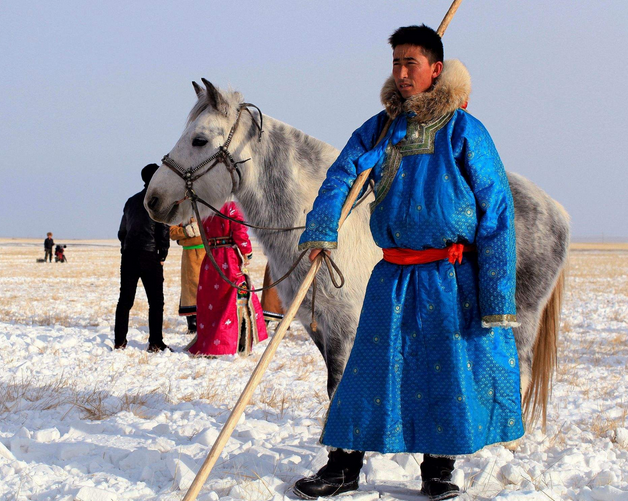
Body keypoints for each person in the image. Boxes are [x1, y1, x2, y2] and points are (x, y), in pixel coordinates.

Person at [293, 25, 523, 501]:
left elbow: (497, 209)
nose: (400, 73)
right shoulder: (380, 127)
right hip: (393, 274)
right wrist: (322, 227)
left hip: (450, 275)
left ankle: (438, 472)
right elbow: (341, 174)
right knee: (367, 370)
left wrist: (497, 292)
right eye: (395, 63)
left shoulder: (465, 130)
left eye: (410, 63)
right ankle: (342, 467)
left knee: (447, 372)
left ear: (435, 70)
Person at [188, 201, 268, 356]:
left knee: (213, 301)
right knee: (237, 300)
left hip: (210, 260)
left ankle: (210, 343)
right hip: (228, 259)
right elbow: (239, 231)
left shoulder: (204, 206)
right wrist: (247, 252)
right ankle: (234, 345)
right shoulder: (230, 206)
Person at [114, 163, 170, 352]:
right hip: (150, 256)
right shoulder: (159, 200)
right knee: (156, 302)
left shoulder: (130, 201)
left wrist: (125, 249)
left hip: (129, 255)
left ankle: (119, 342)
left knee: (125, 301)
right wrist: (162, 254)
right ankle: (155, 343)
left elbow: (122, 231)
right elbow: (163, 229)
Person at [170, 218, 206, 334]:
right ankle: (192, 321)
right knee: (190, 289)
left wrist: (184, 240)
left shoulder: (206, 208)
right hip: (189, 256)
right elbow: (172, 232)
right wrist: (186, 232)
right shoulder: (181, 211)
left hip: (207, 254)